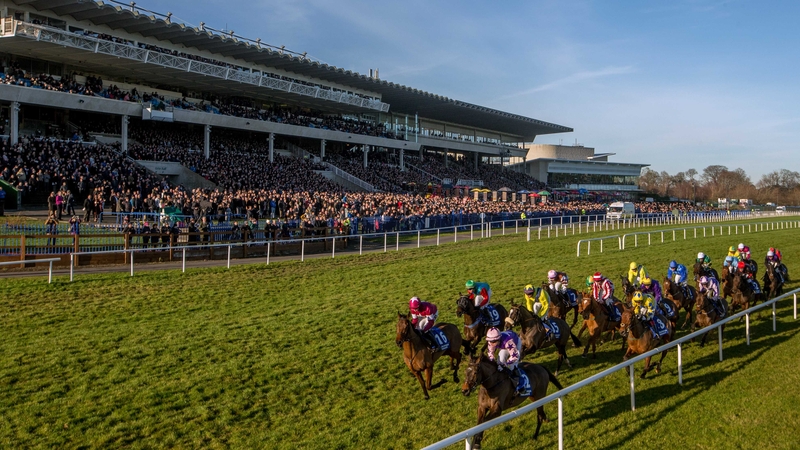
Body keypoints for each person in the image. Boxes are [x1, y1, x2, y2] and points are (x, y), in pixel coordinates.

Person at [485, 327, 525, 396]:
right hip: (504, 346)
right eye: (491, 341)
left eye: (494, 341)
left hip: (515, 343)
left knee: (512, 366)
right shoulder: (490, 342)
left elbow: (515, 356)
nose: (492, 344)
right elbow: (490, 355)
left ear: (499, 338)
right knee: (499, 362)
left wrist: (506, 364)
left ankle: (521, 385)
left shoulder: (508, 342)